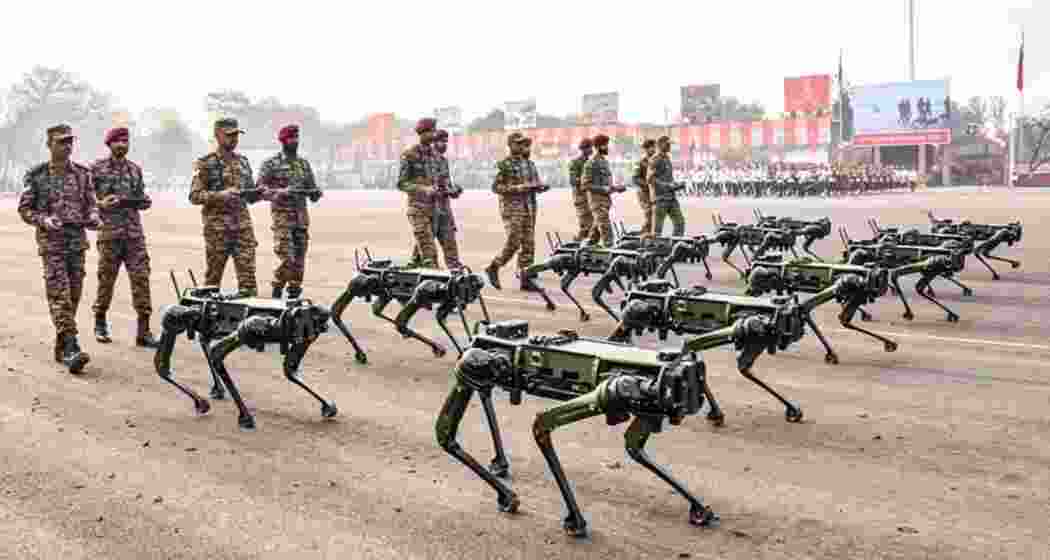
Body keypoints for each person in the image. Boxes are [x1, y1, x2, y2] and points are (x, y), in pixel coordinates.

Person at [17, 124, 99, 373]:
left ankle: (62, 346)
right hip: (52, 243)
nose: (67, 146)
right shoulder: (37, 175)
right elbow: (25, 209)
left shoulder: (83, 174)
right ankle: (72, 346)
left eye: (70, 141)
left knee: (73, 295)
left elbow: (91, 204)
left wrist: (94, 217)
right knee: (59, 295)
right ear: (49, 145)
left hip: (77, 241)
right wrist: (44, 220)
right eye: (61, 141)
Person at [89, 127, 158, 347]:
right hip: (109, 233)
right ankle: (100, 322)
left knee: (141, 279)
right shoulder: (96, 169)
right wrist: (101, 204)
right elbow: (85, 199)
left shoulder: (135, 170)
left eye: (126, 141)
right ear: (109, 144)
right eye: (118, 141)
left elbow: (140, 195)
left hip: (134, 235)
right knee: (106, 280)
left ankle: (144, 331)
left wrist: (143, 201)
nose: (123, 145)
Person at [189, 117, 260, 295]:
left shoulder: (243, 162)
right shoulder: (205, 163)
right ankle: (207, 320)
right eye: (229, 135)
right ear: (217, 136)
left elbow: (250, 195)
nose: (234, 139)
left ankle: (249, 321)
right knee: (213, 282)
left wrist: (260, 193)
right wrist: (221, 195)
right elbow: (194, 195)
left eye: (236, 135)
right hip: (217, 231)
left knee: (248, 282)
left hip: (243, 229)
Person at [257, 124, 322, 299]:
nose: (295, 141)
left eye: (297, 138)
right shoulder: (271, 164)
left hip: (301, 220)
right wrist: (280, 193)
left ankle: (294, 294)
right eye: (291, 138)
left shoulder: (303, 164)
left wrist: (316, 193)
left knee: (299, 262)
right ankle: (277, 287)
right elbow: (259, 190)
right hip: (282, 219)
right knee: (288, 259)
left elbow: (312, 188)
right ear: (283, 141)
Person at [484, 132, 547, 290]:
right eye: (518, 143)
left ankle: (525, 279)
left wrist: (540, 187)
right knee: (514, 242)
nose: (521, 146)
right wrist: (519, 188)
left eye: (523, 143)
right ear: (510, 145)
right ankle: (494, 266)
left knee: (528, 244)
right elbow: (496, 187)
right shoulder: (504, 165)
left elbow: (535, 182)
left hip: (529, 207)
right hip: (512, 209)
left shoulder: (529, 164)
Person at [397, 118, 439, 267]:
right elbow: (402, 183)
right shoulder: (410, 154)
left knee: (421, 251)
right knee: (429, 252)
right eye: (431, 131)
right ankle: (435, 282)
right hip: (417, 209)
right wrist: (423, 189)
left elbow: (437, 179)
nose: (434, 134)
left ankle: (412, 269)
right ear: (423, 133)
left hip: (433, 210)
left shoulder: (434, 155)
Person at [581, 134, 626, 246]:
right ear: (599, 146)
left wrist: (615, 188)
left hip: (605, 202)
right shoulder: (591, 163)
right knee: (606, 229)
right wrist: (604, 188)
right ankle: (610, 252)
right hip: (597, 202)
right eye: (606, 145)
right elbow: (585, 185)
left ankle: (587, 248)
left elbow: (606, 185)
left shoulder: (604, 161)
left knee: (595, 233)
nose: (608, 148)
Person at [648, 135, 686, 236]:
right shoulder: (655, 159)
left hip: (671, 198)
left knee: (680, 223)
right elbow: (650, 179)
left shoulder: (667, 158)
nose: (670, 146)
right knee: (657, 230)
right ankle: (655, 250)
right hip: (660, 199)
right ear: (660, 145)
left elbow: (667, 178)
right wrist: (667, 186)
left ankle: (675, 247)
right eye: (668, 144)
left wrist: (676, 185)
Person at [568, 138, 594, 242]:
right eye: (590, 147)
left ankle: (586, 244)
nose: (591, 150)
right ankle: (577, 244)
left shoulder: (591, 162)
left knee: (592, 225)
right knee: (585, 225)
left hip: (591, 197)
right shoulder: (575, 163)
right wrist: (586, 181)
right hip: (581, 198)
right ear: (584, 149)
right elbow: (573, 180)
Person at [633, 139, 656, 236]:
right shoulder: (641, 162)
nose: (655, 149)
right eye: (653, 147)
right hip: (644, 193)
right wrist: (648, 184)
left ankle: (648, 234)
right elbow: (635, 179)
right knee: (649, 213)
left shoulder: (656, 161)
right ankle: (644, 235)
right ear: (647, 149)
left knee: (654, 215)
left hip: (653, 193)